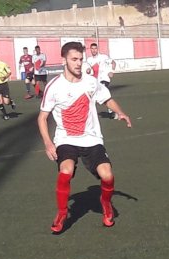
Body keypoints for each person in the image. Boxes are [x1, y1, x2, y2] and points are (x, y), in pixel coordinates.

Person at [37, 41, 132, 234]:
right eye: (74, 59)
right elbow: (42, 117)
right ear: (64, 60)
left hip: (91, 138)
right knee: (66, 171)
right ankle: (63, 213)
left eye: (81, 59)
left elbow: (106, 99)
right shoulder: (54, 86)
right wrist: (48, 143)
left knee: (108, 175)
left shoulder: (90, 81)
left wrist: (120, 112)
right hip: (66, 139)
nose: (79, 63)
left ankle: (105, 203)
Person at [87, 43, 117, 118]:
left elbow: (113, 62)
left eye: (95, 48)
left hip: (104, 79)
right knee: (95, 96)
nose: (94, 50)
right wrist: (88, 70)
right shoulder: (89, 60)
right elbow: (88, 69)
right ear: (90, 49)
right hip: (95, 81)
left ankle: (112, 112)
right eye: (92, 48)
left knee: (101, 94)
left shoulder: (103, 57)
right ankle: (111, 111)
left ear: (97, 49)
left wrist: (112, 71)